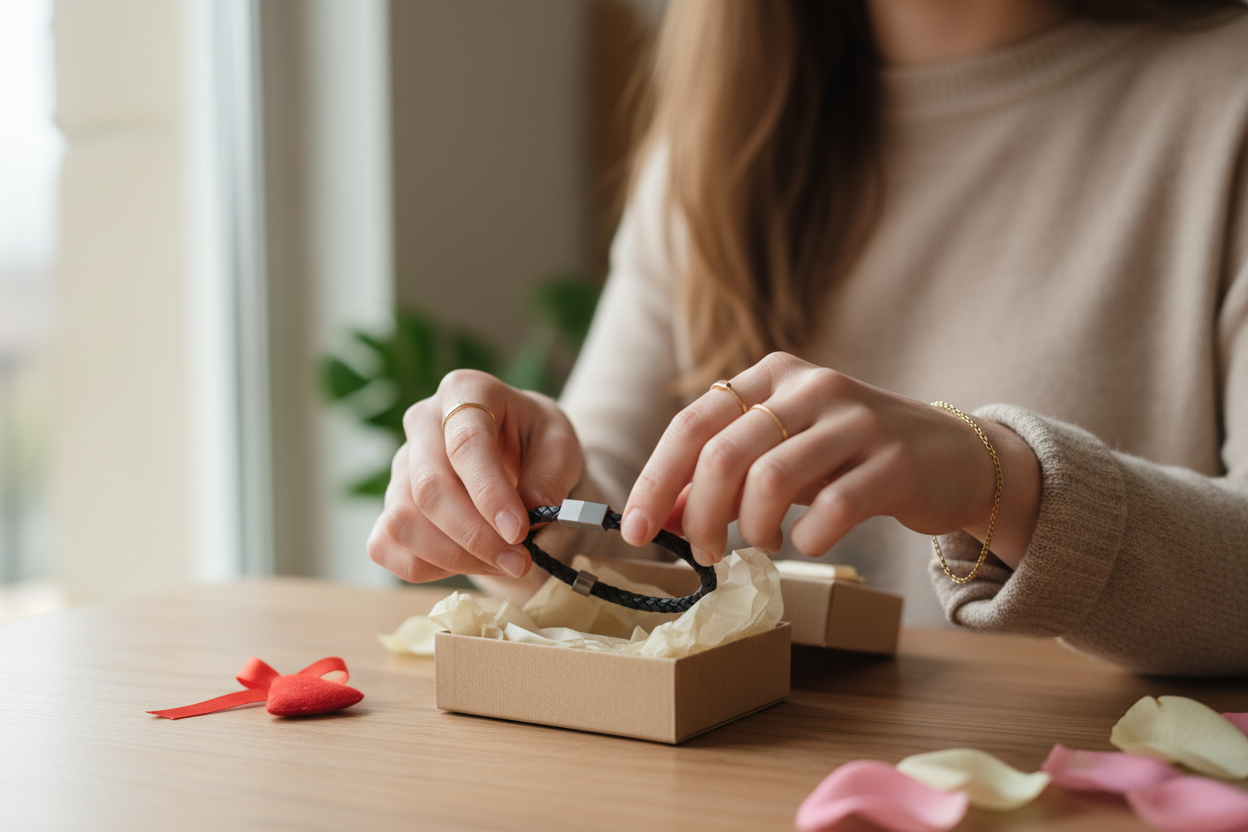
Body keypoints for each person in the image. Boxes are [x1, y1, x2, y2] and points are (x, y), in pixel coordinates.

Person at [368, 0, 1248, 676]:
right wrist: (512, 499)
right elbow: (612, 530)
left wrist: (1000, 481)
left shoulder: (1223, 101)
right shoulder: (714, 146)